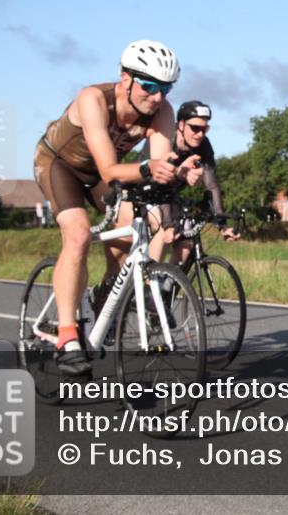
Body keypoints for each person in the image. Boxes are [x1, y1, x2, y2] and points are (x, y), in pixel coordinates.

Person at [32, 40, 201, 377]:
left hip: (99, 174)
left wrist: (178, 172)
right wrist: (150, 169)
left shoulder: (163, 112)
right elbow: (111, 170)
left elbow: (160, 161)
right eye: (149, 86)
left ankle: (105, 294)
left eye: (165, 88)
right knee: (78, 236)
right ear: (125, 78)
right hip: (59, 165)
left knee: (138, 223)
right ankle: (67, 336)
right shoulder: (94, 99)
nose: (157, 97)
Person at [146, 100, 240, 268]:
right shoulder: (167, 139)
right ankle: (147, 286)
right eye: (195, 128)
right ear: (181, 125)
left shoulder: (203, 145)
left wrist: (222, 224)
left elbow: (211, 186)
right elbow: (161, 185)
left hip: (169, 196)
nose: (200, 134)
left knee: (186, 245)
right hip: (145, 191)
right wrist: (168, 224)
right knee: (163, 231)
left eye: (205, 129)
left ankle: (166, 290)